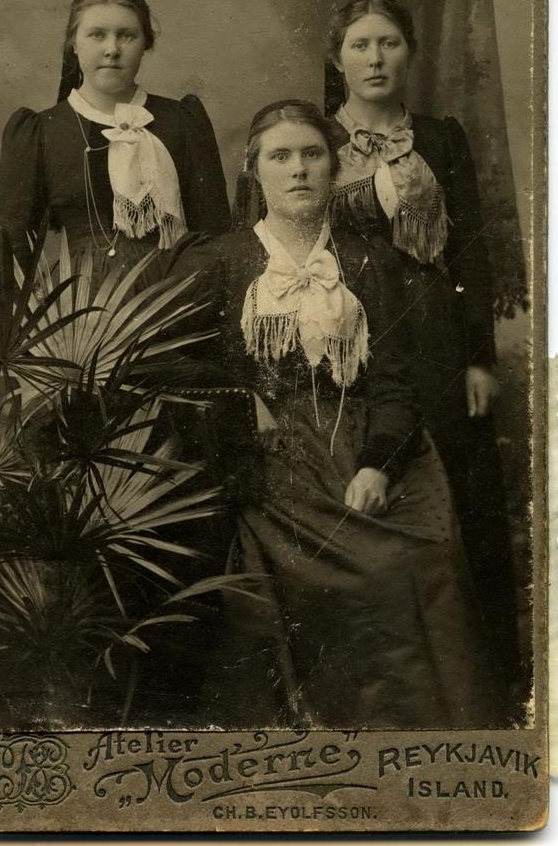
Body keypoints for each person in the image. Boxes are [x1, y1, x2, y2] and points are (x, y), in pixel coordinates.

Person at [167, 99, 509, 729]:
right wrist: (240, 400)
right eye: (280, 157)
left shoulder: (369, 260)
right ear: (253, 171)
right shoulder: (218, 261)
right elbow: (162, 365)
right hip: (268, 459)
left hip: (362, 445)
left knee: (416, 562)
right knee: (321, 580)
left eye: (312, 154)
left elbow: (395, 385)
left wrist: (379, 466)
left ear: (333, 166)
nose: (298, 169)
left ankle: (410, 734)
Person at [324, 0, 523, 697]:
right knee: (369, 482)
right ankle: (389, 679)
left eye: (390, 43)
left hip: (437, 332)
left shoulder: (440, 137)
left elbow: (470, 250)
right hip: (353, 331)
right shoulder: (315, 139)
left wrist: (478, 357)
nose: (375, 59)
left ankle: (486, 676)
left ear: (409, 52)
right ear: (337, 58)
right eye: (360, 45)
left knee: (462, 491)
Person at [0, 0, 230, 283]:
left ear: (146, 43)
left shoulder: (182, 121)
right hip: (80, 305)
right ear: (74, 44)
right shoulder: (41, 132)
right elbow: (10, 246)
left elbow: (215, 234)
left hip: (176, 297)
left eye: (126, 36)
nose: (112, 50)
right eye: (97, 35)